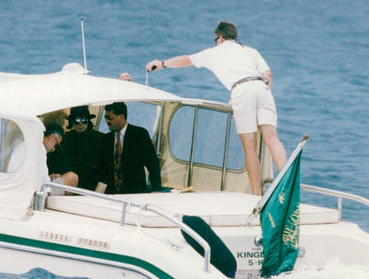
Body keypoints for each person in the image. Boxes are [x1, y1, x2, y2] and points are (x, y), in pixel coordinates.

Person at [146, 21, 287, 195]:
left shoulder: (214, 52)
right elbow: (268, 75)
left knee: (250, 146)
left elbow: (185, 60)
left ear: (219, 38)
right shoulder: (251, 51)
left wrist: (161, 63)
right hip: (262, 89)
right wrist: (262, 91)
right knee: (272, 138)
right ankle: (287, 181)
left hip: (242, 90)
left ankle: (257, 194)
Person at [99, 102, 162, 194]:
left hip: (135, 192)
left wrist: (156, 189)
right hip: (111, 193)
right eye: (105, 117)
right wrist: (98, 192)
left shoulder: (139, 134)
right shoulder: (106, 139)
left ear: (121, 117)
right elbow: (103, 170)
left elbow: (152, 164)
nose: (106, 121)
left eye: (109, 118)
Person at [61, 105, 105, 191]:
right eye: (77, 120)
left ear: (88, 120)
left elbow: (104, 167)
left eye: (84, 120)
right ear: (72, 121)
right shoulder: (65, 138)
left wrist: (99, 190)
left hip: (92, 186)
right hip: (70, 186)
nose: (81, 123)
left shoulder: (100, 138)